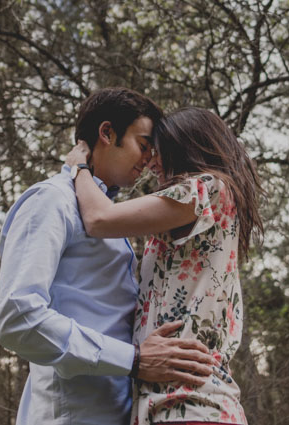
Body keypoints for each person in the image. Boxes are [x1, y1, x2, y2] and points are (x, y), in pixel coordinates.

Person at [0, 89, 216, 425]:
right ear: (107, 133)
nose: (148, 160)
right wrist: (134, 359)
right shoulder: (51, 200)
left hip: (122, 412)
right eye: (143, 145)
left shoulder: (110, 219)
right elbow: (17, 316)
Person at [65, 107, 264, 425]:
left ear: (185, 148)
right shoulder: (207, 207)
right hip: (178, 406)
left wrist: (78, 169)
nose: (151, 163)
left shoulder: (206, 189)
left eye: (158, 151)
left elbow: (99, 219)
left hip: (188, 406)